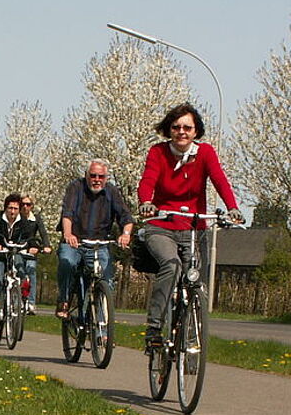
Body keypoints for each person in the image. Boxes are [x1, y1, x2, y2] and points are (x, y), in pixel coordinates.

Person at [137, 103, 243, 347]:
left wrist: (233, 207)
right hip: (162, 224)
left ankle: (192, 341)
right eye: (176, 127)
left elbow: (219, 180)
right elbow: (148, 180)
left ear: (196, 131)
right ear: (168, 130)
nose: (181, 132)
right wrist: (146, 202)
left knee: (196, 282)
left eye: (187, 127)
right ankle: (154, 328)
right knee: (171, 265)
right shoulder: (158, 152)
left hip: (194, 228)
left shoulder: (205, 153)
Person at [56, 159, 134, 319]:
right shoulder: (75, 187)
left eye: (101, 176)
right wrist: (68, 234)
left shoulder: (112, 191)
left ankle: (102, 330)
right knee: (67, 262)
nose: (97, 180)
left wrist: (125, 234)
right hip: (76, 242)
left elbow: (126, 216)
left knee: (106, 280)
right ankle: (64, 300)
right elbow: (67, 213)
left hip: (100, 244)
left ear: (106, 178)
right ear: (86, 175)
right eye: (93, 176)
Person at [0, 193, 40, 334]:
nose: (12, 211)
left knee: (21, 275)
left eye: (15, 208)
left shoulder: (23, 222)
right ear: (5, 208)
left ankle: (19, 303)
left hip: (15, 253)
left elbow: (30, 237)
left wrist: (34, 246)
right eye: (10, 208)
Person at [18, 193, 52, 314]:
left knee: (31, 270)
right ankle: (19, 301)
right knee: (20, 272)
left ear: (32, 206)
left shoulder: (36, 218)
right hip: (18, 249)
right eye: (23, 204)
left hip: (31, 249)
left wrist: (46, 246)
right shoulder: (17, 218)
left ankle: (31, 303)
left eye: (28, 204)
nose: (25, 207)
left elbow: (43, 233)